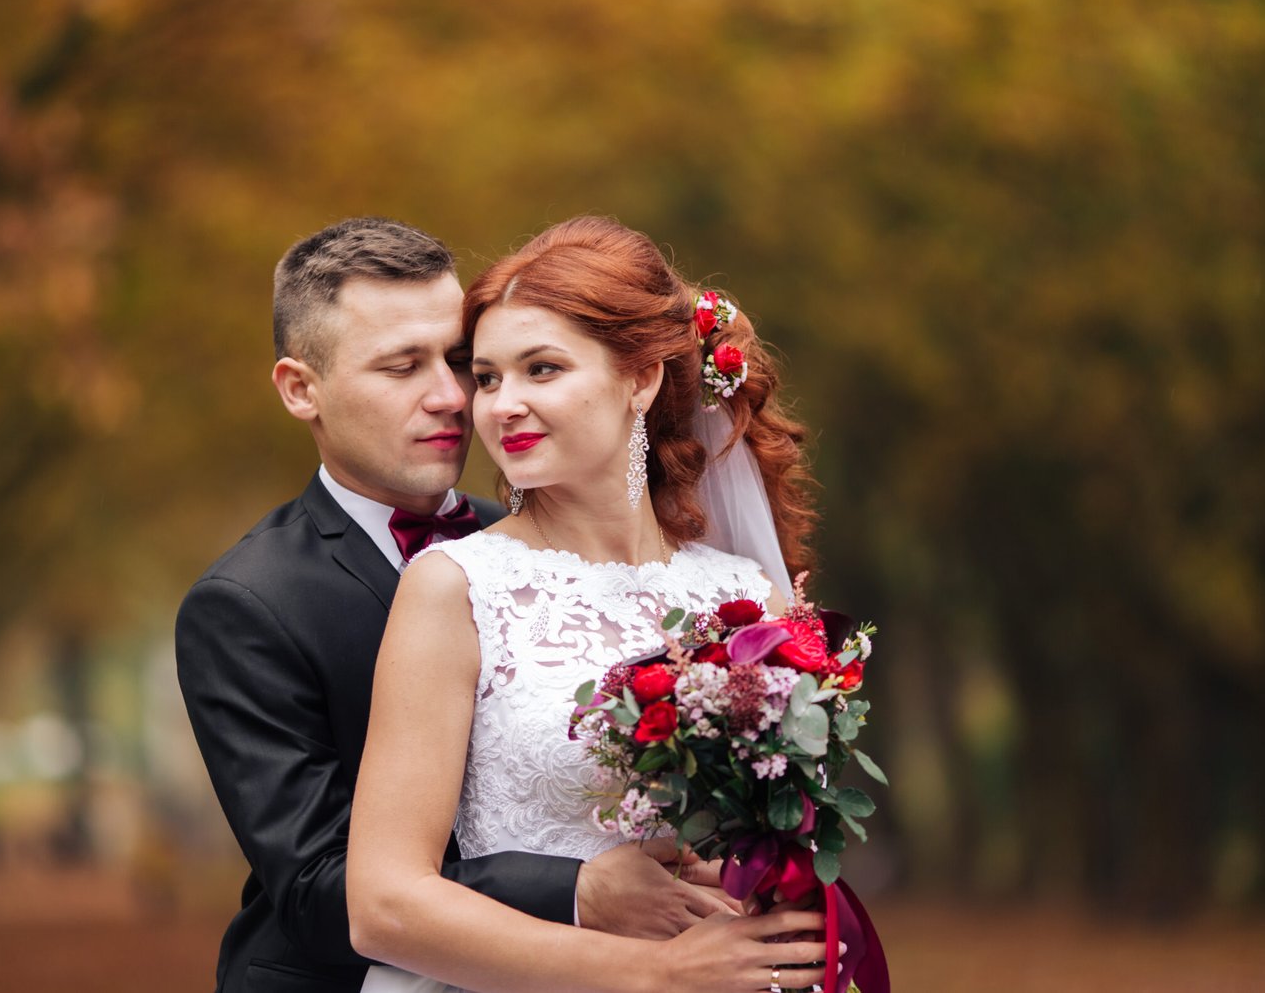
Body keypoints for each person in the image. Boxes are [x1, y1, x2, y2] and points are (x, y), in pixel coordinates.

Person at [176, 218, 742, 993]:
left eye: (457, 361)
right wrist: (576, 890)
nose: (450, 397)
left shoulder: (541, 548)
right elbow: (319, 885)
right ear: (301, 388)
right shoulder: (247, 603)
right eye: (402, 366)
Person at [347, 216, 832, 993]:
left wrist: (755, 882)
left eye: (542, 369)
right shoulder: (456, 587)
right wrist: (659, 971)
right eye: (488, 377)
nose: (502, 404)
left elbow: (787, 852)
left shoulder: (749, 598)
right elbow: (383, 904)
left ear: (640, 380)